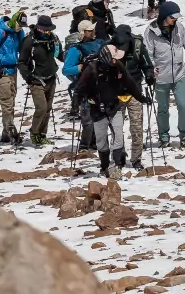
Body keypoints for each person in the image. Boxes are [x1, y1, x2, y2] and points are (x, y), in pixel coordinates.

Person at [74, 38, 150, 177]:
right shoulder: (91, 70)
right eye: (114, 58)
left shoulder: (118, 66)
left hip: (114, 107)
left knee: (118, 137)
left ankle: (116, 166)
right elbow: (79, 89)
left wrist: (141, 98)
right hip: (97, 110)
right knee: (101, 142)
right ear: (106, 58)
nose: (117, 60)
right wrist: (75, 105)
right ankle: (104, 167)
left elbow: (130, 84)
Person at [144, 1, 185, 147]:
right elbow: (146, 53)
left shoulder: (179, 28)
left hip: (179, 74)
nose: (175, 20)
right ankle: (164, 137)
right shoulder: (151, 32)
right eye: (173, 17)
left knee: (183, 105)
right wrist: (151, 68)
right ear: (164, 17)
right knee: (162, 109)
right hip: (161, 77)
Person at [112, 23, 155, 168]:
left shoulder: (138, 46)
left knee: (136, 128)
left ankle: (136, 159)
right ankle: (119, 158)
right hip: (115, 94)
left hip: (135, 92)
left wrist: (149, 75)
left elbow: (147, 65)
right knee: (117, 130)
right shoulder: (109, 47)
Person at [0, 10, 28, 144]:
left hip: (13, 70)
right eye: (19, 24)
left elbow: (22, 49)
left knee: (12, 100)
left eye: (22, 25)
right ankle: (11, 132)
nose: (20, 27)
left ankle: (5, 133)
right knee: (7, 103)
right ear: (14, 21)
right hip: (2, 70)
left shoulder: (19, 33)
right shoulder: (0, 32)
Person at [22, 15, 63, 146]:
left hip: (51, 78)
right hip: (36, 80)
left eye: (48, 30)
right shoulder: (30, 41)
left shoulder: (53, 39)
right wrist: (27, 76)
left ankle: (42, 134)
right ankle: (34, 133)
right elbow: (22, 62)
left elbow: (59, 54)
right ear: (38, 28)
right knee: (41, 108)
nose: (46, 32)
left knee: (48, 108)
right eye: (44, 30)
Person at [62, 17, 102, 114]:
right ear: (83, 32)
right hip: (87, 89)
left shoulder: (99, 43)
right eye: (90, 30)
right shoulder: (76, 49)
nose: (93, 32)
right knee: (89, 122)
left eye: (93, 29)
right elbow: (66, 70)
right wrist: (79, 68)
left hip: (102, 87)